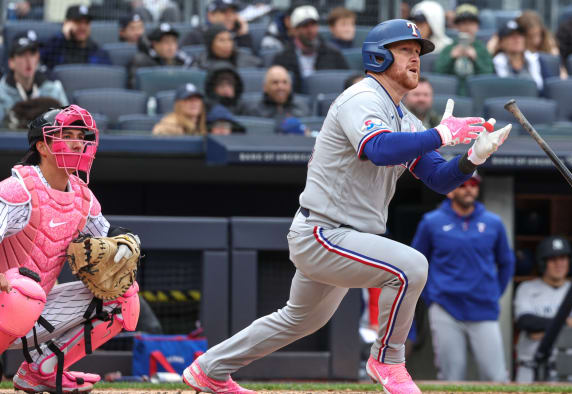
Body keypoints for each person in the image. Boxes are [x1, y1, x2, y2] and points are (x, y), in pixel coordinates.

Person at [182, 18, 511, 394]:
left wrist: (471, 159)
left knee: (298, 320)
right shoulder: (362, 97)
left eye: (418, 52)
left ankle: (209, 369)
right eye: (405, 50)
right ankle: (387, 360)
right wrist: (439, 133)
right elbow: (378, 149)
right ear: (377, 56)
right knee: (411, 267)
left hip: (345, 236)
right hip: (324, 231)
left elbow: (437, 177)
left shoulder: (405, 117)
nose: (415, 58)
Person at [0, 104, 141, 393]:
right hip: (7, 303)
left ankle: (43, 370)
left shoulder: (82, 197)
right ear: (42, 145)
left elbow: (106, 236)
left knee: (124, 294)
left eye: (82, 135)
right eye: (67, 135)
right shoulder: (18, 190)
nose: (78, 142)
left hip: (34, 309)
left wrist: (124, 243)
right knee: (25, 290)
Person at [412, 174, 515, 382]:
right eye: (463, 184)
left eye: (473, 184)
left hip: (483, 307)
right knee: (452, 377)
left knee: (496, 377)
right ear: (450, 189)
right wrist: (431, 296)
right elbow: (415, 262)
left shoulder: (493, 222)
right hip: (445, 307)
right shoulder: (431, 222)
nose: (468, 189)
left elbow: (507, 262)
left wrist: (494, 293)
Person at [513, 236, 572, 382]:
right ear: (543, 263)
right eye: (553, 259)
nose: (559, 264)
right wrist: (565, 324)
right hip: (530, 371)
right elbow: (525, 322)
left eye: (563, 258)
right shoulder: (526, 289)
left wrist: (542, 331)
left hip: (568, 374)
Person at [272, 5, 348, 93]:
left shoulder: (334, 53)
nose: (310, 30)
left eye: (313, 24)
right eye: (305, 26)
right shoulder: (282, 57)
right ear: (295, 30)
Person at [0, 30, 69, 125]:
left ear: (37, 58)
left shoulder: (54, 89)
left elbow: (68, 124)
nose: (28, 60)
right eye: (22, 54)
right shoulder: (1, 94)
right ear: (11, 62)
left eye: (32, 54)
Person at [434, 4, 493, 96]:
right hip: (452, 95)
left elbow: (489, 75)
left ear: (477, 26)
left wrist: (475, 58)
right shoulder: (449, 48)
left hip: (477, 94)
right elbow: (438, 74)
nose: (467, 27)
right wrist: (451, 57)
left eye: (471, 23)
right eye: (463, 23)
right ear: (457, 26)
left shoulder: (482, 49)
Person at [41, 5, 111, 70]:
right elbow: (40, 59)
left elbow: (107, 76)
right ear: (66, 24)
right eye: (78, 22)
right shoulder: (56, 47)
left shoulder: (97, 51)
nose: (83, 27)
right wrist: (63, 35)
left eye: (86, 23)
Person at [493, 20, 553, 91]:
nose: (517, 39)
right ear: (501, 42)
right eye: (511, 36)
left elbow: (548, 89)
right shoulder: (494, 64)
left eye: (520, 35)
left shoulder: (537, 60)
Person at [239, 65, 310, 124]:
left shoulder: (302, 109)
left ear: (290, 86)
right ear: (265, 87)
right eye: (275, 82)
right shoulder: (253, 111)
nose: (281, 87)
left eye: (285, 82)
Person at [128, 23, 193, 88]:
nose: (171, 47)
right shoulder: (142, 61)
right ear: (154, 44)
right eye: (166, 42)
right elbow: (135, 86)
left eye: (174, 41)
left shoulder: (184, 60)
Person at [181, 0, 253, 50]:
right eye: (224, 12)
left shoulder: (240, 34)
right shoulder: (196, 36)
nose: (230, 17)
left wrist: (243, 34)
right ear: (210, 16)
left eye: (233, 12)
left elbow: (249, 62)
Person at [196, 24, 262, 70]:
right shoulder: (201, 63)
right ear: (210, 44)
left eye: (230, 39)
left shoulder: (248, 61)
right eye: (221, 40)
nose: (227, 44)